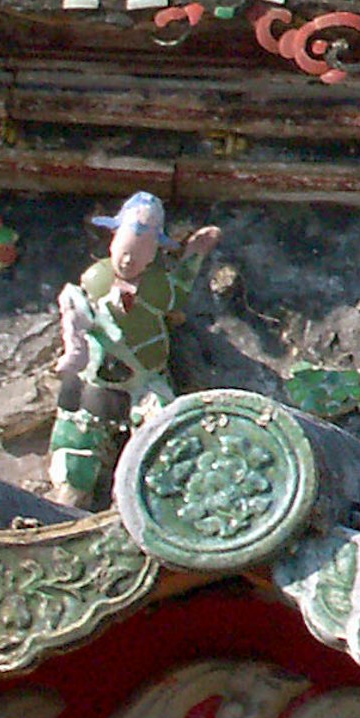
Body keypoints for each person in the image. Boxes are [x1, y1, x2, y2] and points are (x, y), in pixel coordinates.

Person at [50, 191, 220, 508]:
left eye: (141, 251)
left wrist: (194, 255)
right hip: (97, 379)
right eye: (125, 248)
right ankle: (67, 503)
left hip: (145, 381)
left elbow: (178, 293)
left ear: (154, 254)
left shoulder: (157, 287)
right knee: (74, 453)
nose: (129, 259)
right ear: (112, 241)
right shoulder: (93, 280)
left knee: (167, 439)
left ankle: (144, 503)